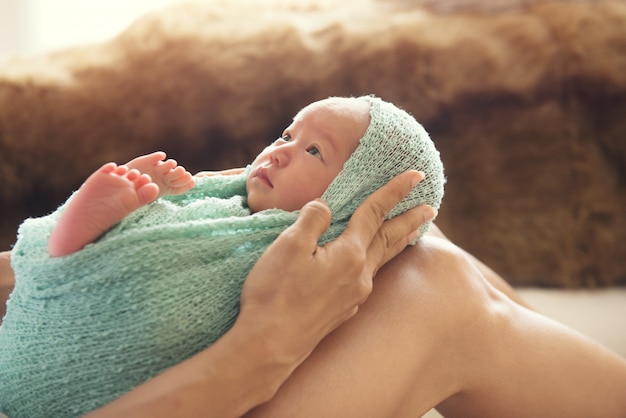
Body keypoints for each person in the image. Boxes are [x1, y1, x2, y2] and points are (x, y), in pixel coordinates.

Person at [0, 96, 446, 418]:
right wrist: (145, 204)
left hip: (45, 361)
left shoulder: (296, 244)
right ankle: (81, 243)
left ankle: (76, 244)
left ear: (352, 196)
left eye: (314, 150)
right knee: (438, 272)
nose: (280, 149)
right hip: (110, 312)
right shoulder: (229, 208)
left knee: (437, 266)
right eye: (287, 134)